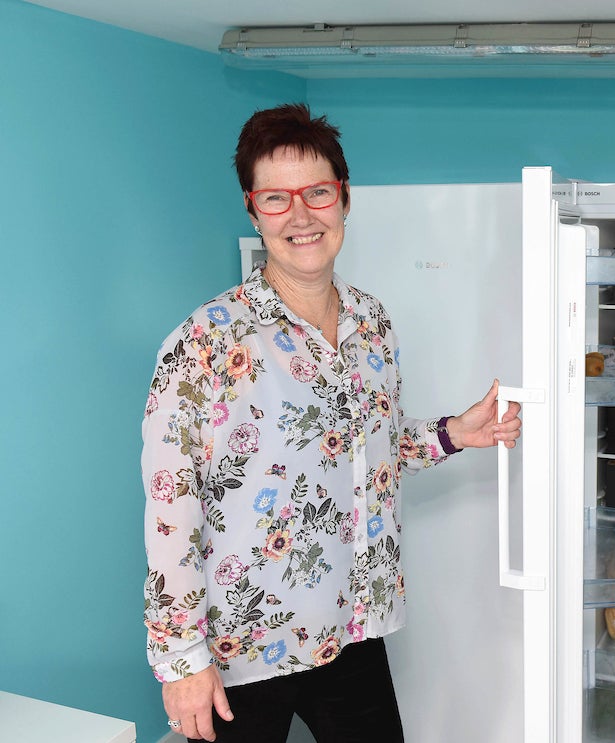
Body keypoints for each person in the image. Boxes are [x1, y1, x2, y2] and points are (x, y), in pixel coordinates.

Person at [141, 102, 522, 743]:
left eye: (317, 193)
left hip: (352, 624)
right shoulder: (204, 342)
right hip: (243, 647)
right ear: (252, 209)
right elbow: (169, 509)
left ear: (344, 199)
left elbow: (364, 451)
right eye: (275, 198)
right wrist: (181, 660)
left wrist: (455, 433)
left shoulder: (371, 321)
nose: (300, 216)